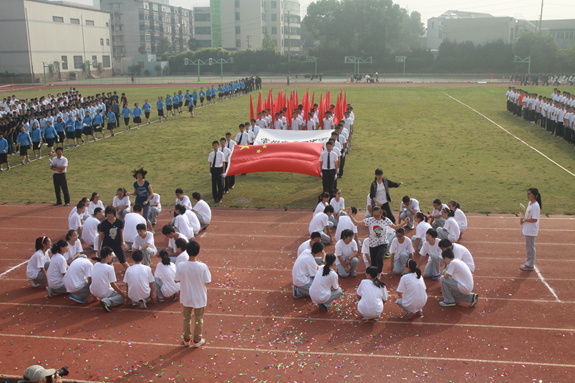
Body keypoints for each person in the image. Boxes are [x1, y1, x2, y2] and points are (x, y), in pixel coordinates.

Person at [348, 206, 408, 275]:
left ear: (381, 213)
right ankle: (374, 275)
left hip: (383, 242)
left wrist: (405, 222)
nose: (376, 217)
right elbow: (357, 223)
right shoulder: (370, 220)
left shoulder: (386, 220)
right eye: (374, 216)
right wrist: (350, 216)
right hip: (372, 244)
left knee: (379, 258)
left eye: (378, 216)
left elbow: (395, 227)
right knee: (373, 263)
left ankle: (379, 272)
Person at [174, 240, 210, 347]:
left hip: (187, 295)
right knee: (199, 318)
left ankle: (186, 339)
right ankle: (197, 340)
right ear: (198, 252)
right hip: (199, 296)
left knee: (187, 318)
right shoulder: (202, 266)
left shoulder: (181, 266)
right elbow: (208, 281)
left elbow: (176, 280)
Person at [91, 247, 128, 312]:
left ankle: (106, 299)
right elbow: (113, 284)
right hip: (104, 292)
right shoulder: (109, 268)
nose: (112, 257)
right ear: (108, 256)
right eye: (111, 255)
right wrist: (123, 294)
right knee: (122, 298)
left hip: (93, 291)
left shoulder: (95, 264)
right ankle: (107, 301)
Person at [98, 206, 129, 271]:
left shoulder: (119, 222)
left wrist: (123, 242)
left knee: (123, 261)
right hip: (107, 244)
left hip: (117, 244)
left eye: (111, 213)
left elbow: (121, 233)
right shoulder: (104, 224)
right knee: (103, 262)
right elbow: (101, 236)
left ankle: (131, 273)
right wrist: (99, 249)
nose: (109, 215)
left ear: (114, 213)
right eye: (107, 213)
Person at [520, 187, 542, 271]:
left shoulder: (535, 206)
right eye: (527, 193)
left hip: (531, 230)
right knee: (528, 247)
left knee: (530, 247)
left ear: (535, 196)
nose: (528, 195)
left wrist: (524, 220)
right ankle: (529, 262)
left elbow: (534, 219)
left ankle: (530, 264)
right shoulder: (530, 203)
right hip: (527, 228)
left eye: (529, 194)